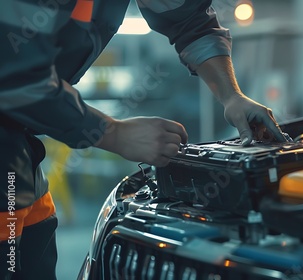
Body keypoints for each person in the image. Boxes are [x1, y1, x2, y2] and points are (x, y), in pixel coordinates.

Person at [0, 0, 286, 279]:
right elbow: (14, 76)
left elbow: (190, 21)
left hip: (20, 155)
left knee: (32, 255)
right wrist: (113, 133)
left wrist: (231, 95)